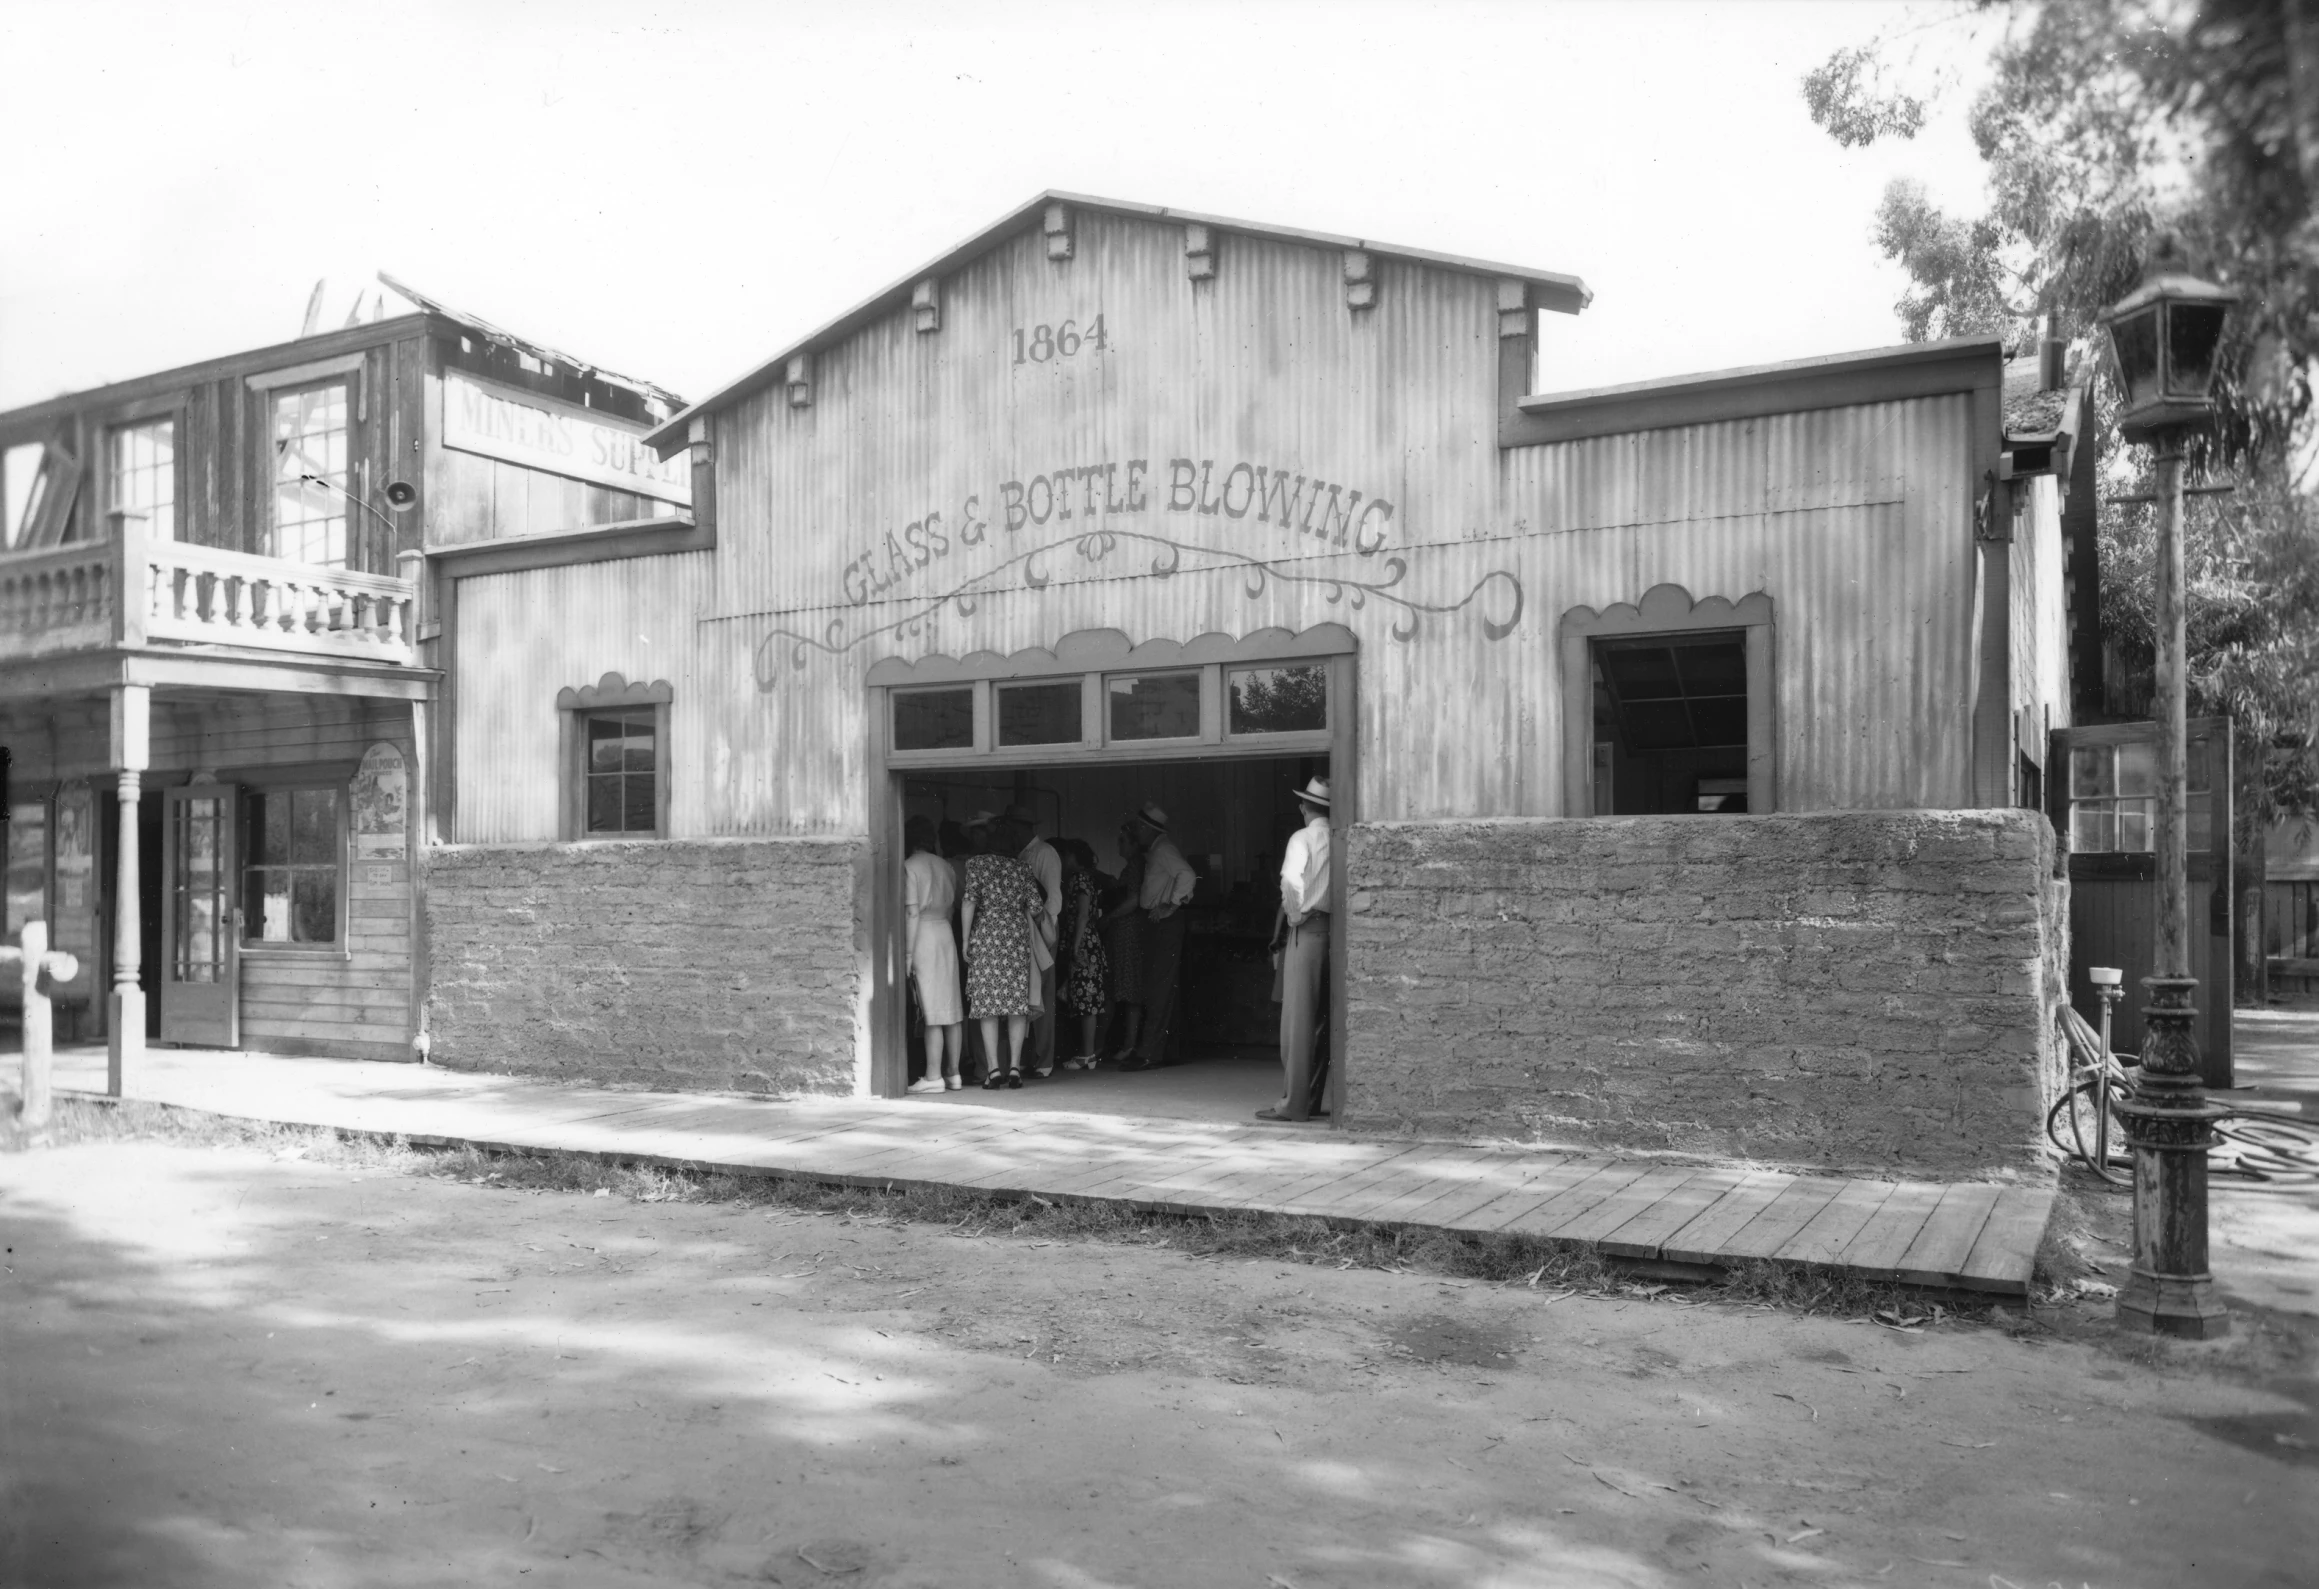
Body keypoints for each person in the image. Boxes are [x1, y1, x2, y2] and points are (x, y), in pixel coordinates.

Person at [1259, 777, 1332, 1122]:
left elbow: (1290, 880)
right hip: (1335, 932)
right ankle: (1312, 1099)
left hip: (1308, 929)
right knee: (1324, 1022)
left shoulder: (1303, 837)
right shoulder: (1338, 836)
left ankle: (1294, 1104)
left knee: (1298, 1022)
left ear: (1305, 807)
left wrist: (1295, 914)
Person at [957, 812, 1041, 1089]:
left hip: (987, 937)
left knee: (987, 1007)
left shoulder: (977, 864)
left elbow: (969, 902)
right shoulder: (1022, 869)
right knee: (1017, 1006)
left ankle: (993, 1070)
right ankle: (1014, 1068)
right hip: (1015, 940)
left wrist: (966, 939)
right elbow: (1037, 907)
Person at [1119, 802, 1197, 1072]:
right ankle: (1166, 1051)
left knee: (1159, 988)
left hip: (1163, 923)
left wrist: (1170, 904)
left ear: (1148, 828)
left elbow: (1187, 875)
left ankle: (1150, 1053)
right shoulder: (1156, 850)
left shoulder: (1164, 850)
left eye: (1140, 827)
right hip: (1157, 922)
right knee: (1162, 986)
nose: (1137, 832)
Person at [902, 817, 963, 1093]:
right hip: (945, 933)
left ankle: (932, 1075)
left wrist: (907, 952)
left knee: (931, 1009)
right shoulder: (946, 866)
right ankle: (954, 1073)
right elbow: (953, 908)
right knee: (951, 1008)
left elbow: (912, 912)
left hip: (923, 934)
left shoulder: (909, 867)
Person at [1008, 803, 1064, 1079]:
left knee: (1042, 996)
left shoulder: (1045, 853)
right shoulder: (1023, 854)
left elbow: (1053, 898)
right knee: (1028, 995)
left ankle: (1044, 1061)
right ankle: (1032, 1058)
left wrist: (1047, 934)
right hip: (1026, 931)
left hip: (1042, 930)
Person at [1054, 838, 1112, 1068]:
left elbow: (1083, 915)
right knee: (1084, 997)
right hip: (1088, 942)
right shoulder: (1087, 878)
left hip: (1083, 943)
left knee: (1086, 999)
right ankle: (1087, 1053)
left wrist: (1076, 945)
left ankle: (1087, 1054)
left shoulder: (1079, 879)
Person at [1100, 820, 1148, 1063]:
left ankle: (1129, 1044)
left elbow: (1134, 899)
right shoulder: (1130, 867)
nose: (1118, 846)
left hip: (1130, 933)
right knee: (1122, 987)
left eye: (1122, 841)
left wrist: (1111, 916)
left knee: (1129, 989)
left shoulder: (1136, 867)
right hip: (1123, 934)